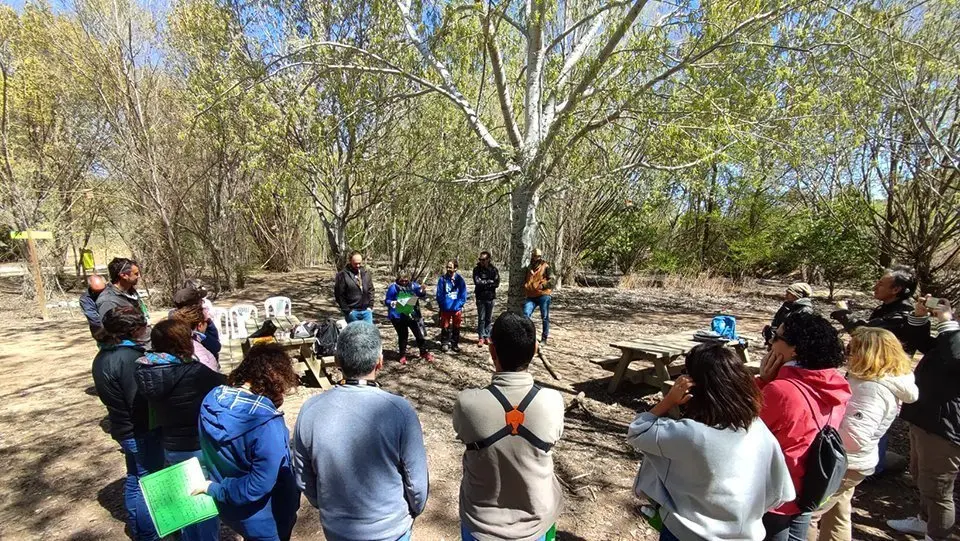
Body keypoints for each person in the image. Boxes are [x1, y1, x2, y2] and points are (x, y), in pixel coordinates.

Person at [628, 344, 796, 540]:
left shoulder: (691, 434)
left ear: (695, 386)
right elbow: (778, 492)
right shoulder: (757, 428)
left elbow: (638, 430)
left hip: (687, 532)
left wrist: (670, 400)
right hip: (745, 533)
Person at [293, 322, 429, 541]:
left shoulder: (310, 410)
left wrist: (327, 507)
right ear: (380, 362)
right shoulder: (400, 411)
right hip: (391, 530)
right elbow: (418, 484)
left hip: (337, 530)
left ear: (337, 361)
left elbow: (303, 477)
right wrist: (414, 510)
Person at [453, 312, 564, 541]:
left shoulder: (468, 403)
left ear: (492, 350)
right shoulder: (552, 401)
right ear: (535, 349)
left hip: (482, 524)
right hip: (537, 523)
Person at [809, 327, 918, 541]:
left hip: (845, 464)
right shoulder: (880, 379)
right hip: (856, 462)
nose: (847, 353)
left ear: (869, 353)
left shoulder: (871, 388)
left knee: (809, 516)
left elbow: (854, 437)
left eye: (853, 349)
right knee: (838, 512)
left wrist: (820, 436)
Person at [756, 312, 852, 541]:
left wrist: (761, 381)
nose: (770, 341)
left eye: (776, 337)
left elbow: (744, 428)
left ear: (795, 350)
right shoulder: (836, 383)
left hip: (776, 491)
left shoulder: (781, 391)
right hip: (811, 485)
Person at [195, 343, 301, 541]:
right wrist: (216, 489)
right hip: (268, 518)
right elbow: (258, 485)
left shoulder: (211, 400)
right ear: (277, 380)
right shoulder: (267, 423)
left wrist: (215, 489)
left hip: (231, 511)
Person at [135, 319, 225, 541]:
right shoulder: (194, 371)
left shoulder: (145, 370)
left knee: (186, 505)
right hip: (197, 446)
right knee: (204, 507)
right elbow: (226, 385)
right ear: (183, 342)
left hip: (171, 447)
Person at [887, 296, 960, 541]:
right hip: (927, 418)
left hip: (945, 427)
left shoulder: (955, 341)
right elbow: (921, 344)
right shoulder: (953, 339)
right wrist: (919, 317)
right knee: (921, 476)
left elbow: (953, 357)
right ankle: (925, 522)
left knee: (938, 488)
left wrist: (948, 323)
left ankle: (936, 536)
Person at [91, 307, 162, 540]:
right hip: (138, 430)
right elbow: (138, 401)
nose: (147, 329)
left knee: (135, 478)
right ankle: (148, 533)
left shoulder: (103, 356)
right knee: (148, 482)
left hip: (123, 427)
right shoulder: (129, 359)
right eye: (143, 325)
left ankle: (138, 527)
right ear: (133, 330)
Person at [830, 265, 917, 351]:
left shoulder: (902, 316)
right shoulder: (884, 308)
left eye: (880, 285)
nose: (874, 287)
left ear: (896, 290)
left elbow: (865, 333)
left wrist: (844, 313)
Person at [384, 271, 434, 365]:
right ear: (398, 279)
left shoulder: (413, 285)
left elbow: (421, 293)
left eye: (406, 281)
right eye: (401, 281)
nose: (404, 282)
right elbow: (387, 300)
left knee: (419, 334)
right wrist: (392, 303)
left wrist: (422, 290)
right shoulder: (393, 287)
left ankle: (423, 352)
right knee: (403, 335)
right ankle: (402, 355)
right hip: (397, 315)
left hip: (410, 314)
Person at [171, 283, 221, 359]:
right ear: (195, 304)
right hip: (204, 363)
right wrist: (206, 325)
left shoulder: (172, 319)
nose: (203, 302)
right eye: (200, 300)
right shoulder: (198, 321)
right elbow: (215, 347)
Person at [97, 257, 150, 324]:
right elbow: (111, 329)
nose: (139, 276)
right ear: (124, 275)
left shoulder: (131, 291)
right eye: (136, 274)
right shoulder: (108, 301)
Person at [171, 304, 220, 372]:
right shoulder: (202, 355)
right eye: (207, 322)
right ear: (200, 325)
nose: (208, 324)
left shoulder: (169, 343)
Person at [763, 283, 814, 347]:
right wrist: (771, 334)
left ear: (797, 295)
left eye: (789, 293)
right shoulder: (787, 306)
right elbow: (777, 321)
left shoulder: (805, 311)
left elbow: (799, 334)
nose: (786, 295)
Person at [522, 249, 554, 344]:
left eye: (538, 256)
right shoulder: (528, 266)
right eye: (535, 256)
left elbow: (552, 280)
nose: (536, 258)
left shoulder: (546, 266)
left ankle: (544, 338)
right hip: (531, 295)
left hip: (543, 295)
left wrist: (543, 286)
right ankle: (528, 336)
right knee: (526, 315)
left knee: (544, 317)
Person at [334, 251, 374, 324]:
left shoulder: (366, 273)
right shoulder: (342, 275)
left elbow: (371, 290)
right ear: (350, 261)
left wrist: (370, 307)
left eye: (360, 263)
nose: (358, 265)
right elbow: (339, 295)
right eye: (355, 263)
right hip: (352, 312)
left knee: (368, 334)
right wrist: (347, 311)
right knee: (355, 335)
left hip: (366, 312)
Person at [437, 259, 468, 352]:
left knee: (456, 326)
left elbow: (463, 294)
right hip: (446, 308)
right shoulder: (442, 279)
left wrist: (459, 305)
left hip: (456, 308)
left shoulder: (460, 280)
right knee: (445, 326)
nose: (448, 269)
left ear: (456, 268)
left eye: (450, 267)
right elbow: (439, 294)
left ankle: (454, 343)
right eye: (447, 267)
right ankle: (444, 343)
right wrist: (443, 305)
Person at [472, 251, 500, 346]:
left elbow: (496, 283)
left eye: (483, 260)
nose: (481, 261)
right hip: (480, 297)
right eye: (480, 259)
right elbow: (477, 282)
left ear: (488, 260)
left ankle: (487, 336)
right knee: (481, 318)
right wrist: (489, 282)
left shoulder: (494, 270)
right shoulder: (476, 270)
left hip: (490, 297)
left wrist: (485, 283)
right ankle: (481, 337)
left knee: (489, 318)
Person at [80, 274, 108, 340]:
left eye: (102, 291)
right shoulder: (85, 299)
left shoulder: (113, 291)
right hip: (102, 333)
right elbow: (94, 319)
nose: (100, 294)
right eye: (96, 292)